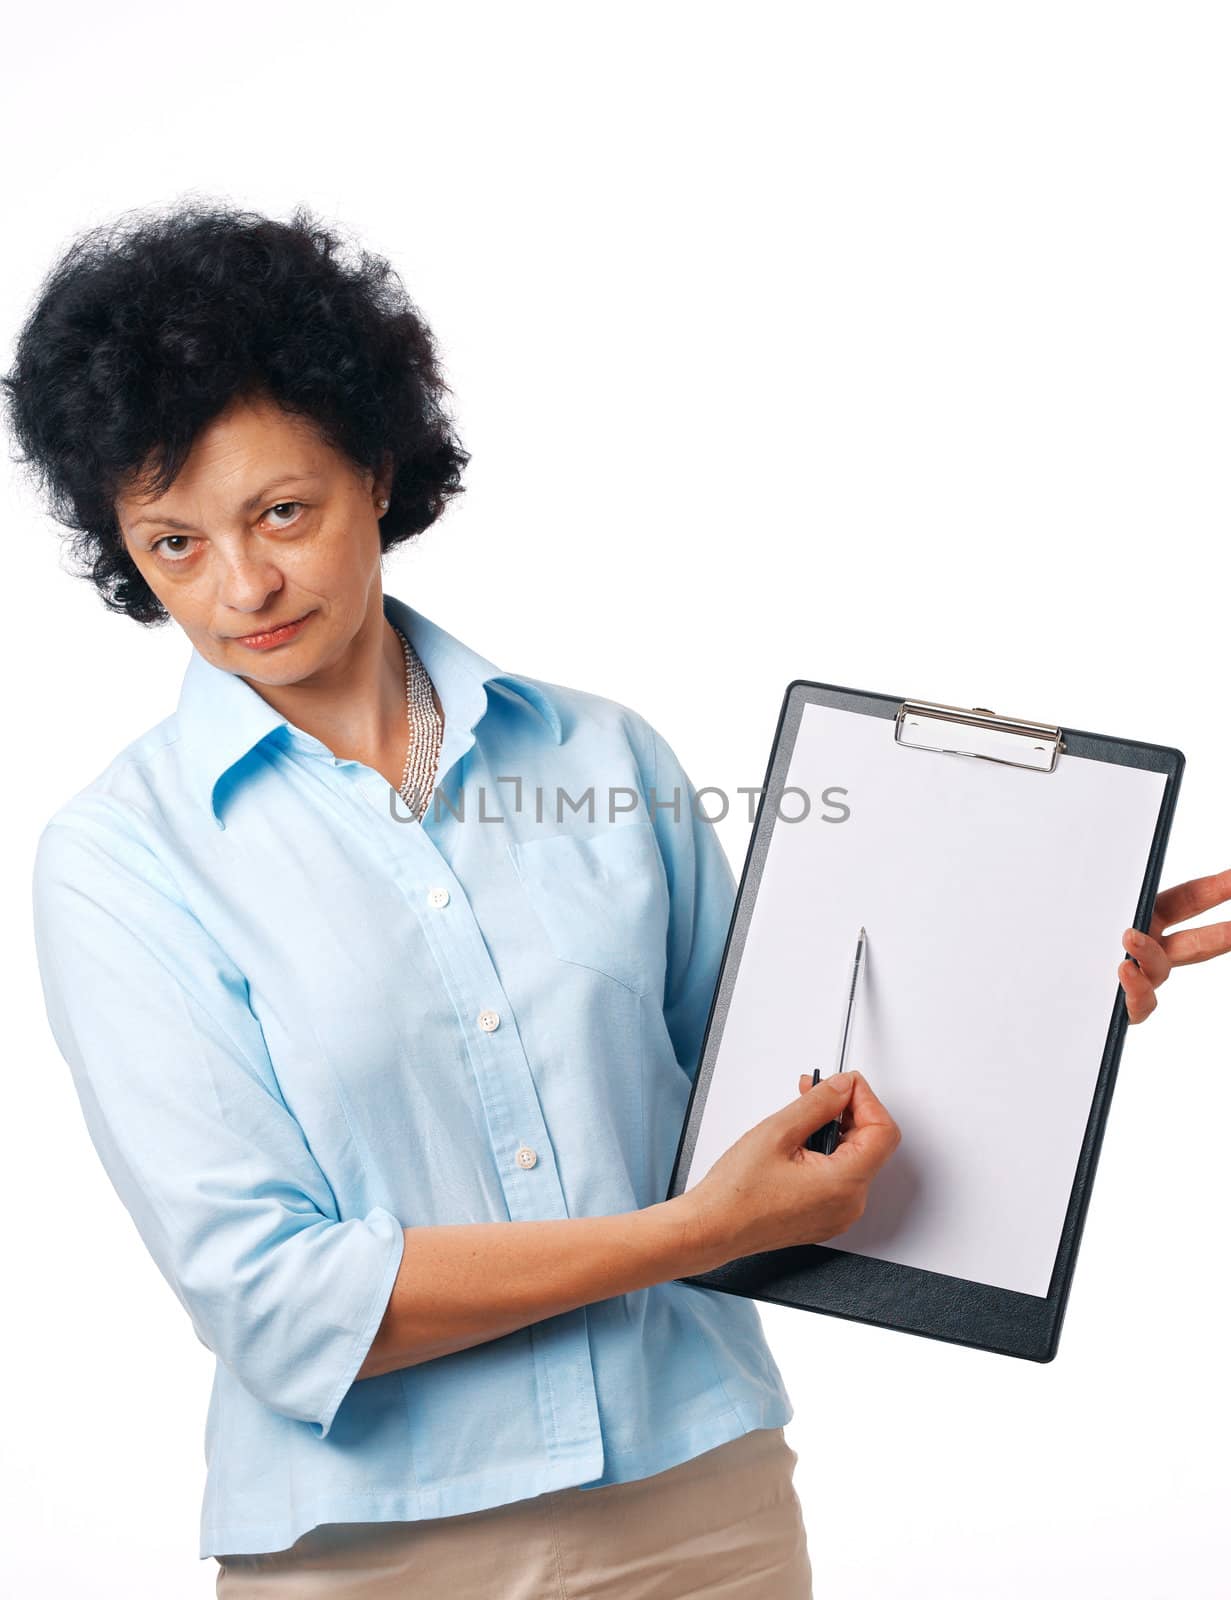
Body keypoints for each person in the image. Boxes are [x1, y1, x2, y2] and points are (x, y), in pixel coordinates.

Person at [7, 202, 1225, 1599]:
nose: (243, 587)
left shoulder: (602, 757)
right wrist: (694, 1236)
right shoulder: (122, 860)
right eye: (173, 544)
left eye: (283, 511)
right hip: (370, 1556)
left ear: (377, 463)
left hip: (704, 1509)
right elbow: (279, 1309)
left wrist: (1037, 997)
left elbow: (782, 1104)